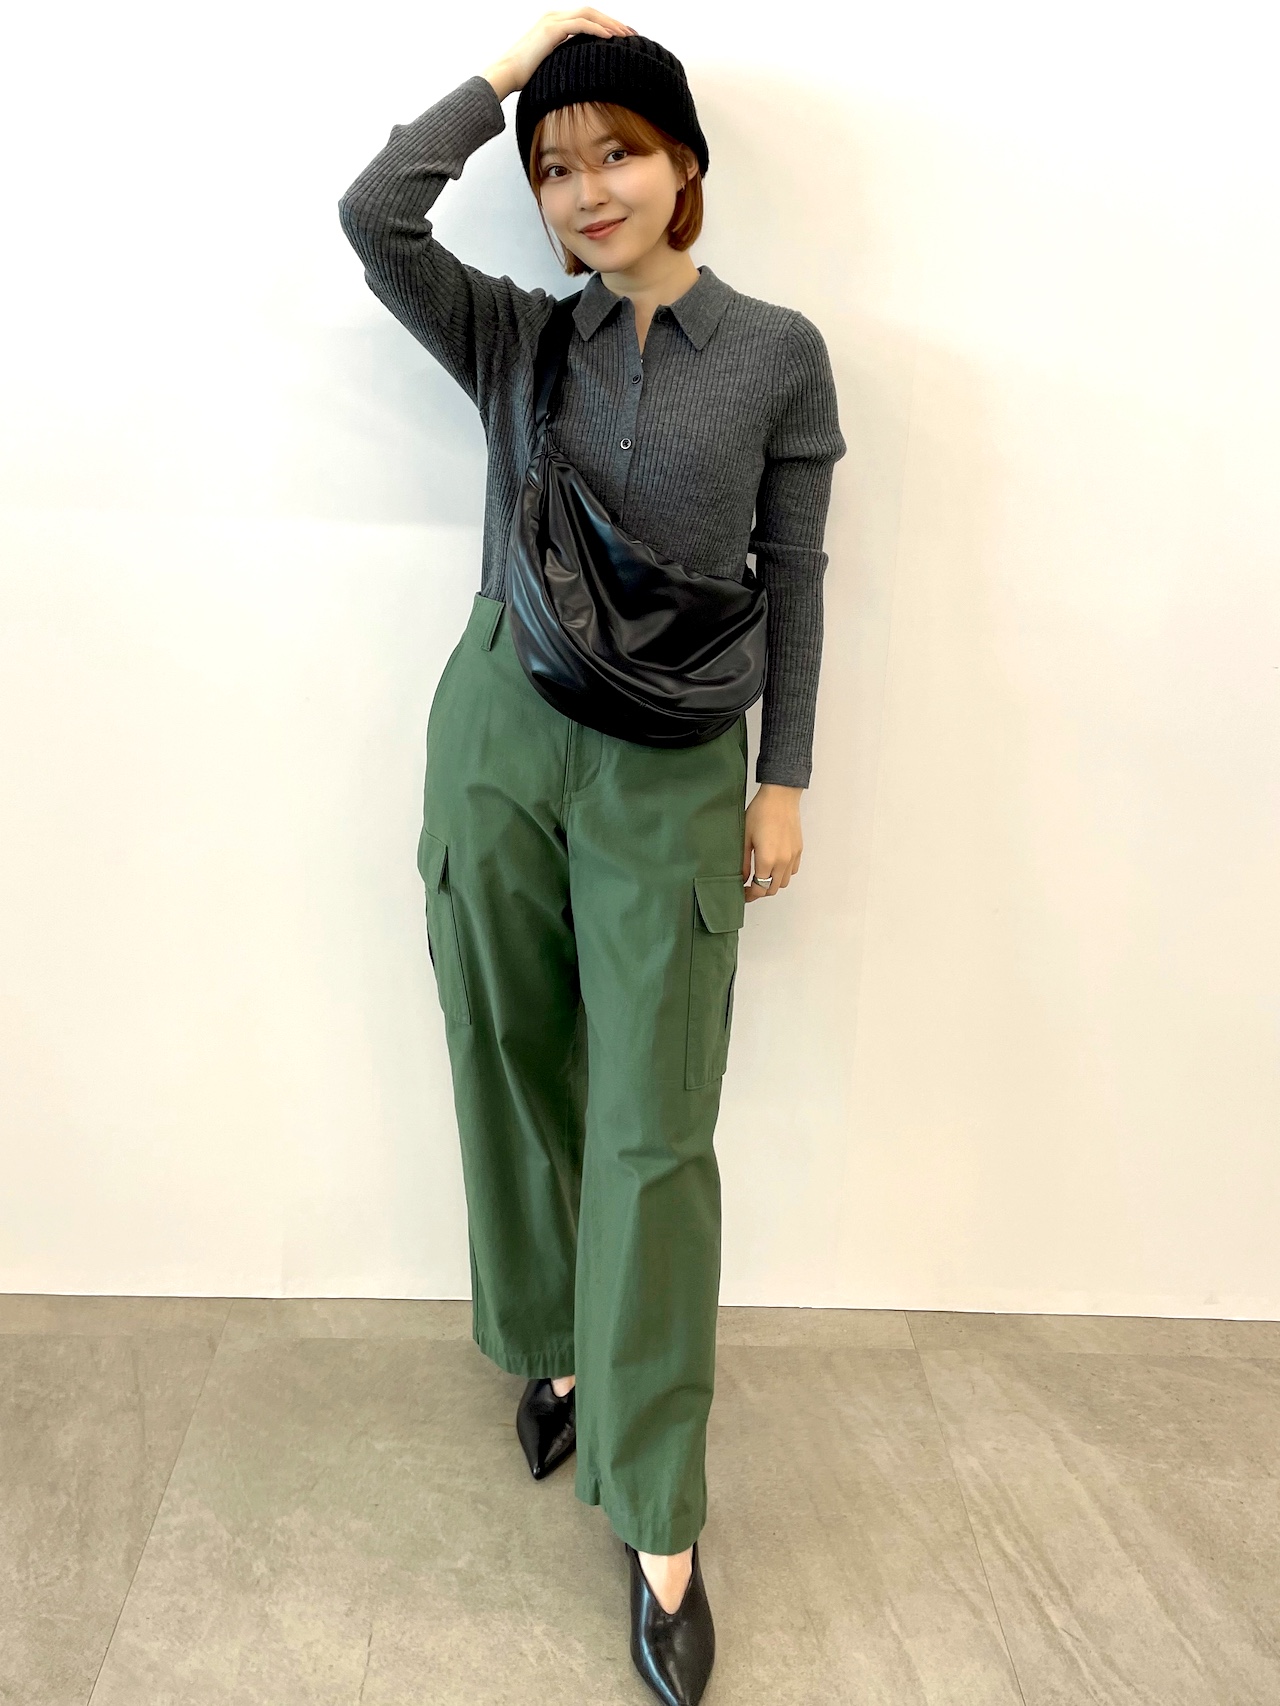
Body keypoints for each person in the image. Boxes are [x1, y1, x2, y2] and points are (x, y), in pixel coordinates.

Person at [338, 12, 846, 1702]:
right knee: (508, 1054)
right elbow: (373, 216)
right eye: (556, 169)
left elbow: (797, 572)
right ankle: (555, 1346)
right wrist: (511, 74)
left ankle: (661, 1508)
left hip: (674, 767)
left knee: (654, 1127)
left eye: (616, 150)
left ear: (683, 160)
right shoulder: (512, 338)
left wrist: (786, 780)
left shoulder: (776, 353)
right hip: (499, 728)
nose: (585, 190)